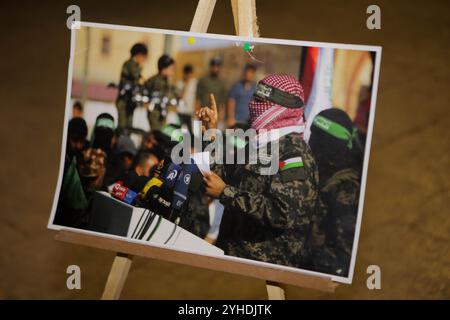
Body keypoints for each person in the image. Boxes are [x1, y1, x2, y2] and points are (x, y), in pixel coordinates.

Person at [196, 75, 320, 268]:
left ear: (280, 109)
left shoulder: (293, 155)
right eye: (254, 99)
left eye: (261, 101)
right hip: (231, 255)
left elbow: (283, 212)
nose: (253, 105)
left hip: (264, 267)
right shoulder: (257, 143)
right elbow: (222, 177)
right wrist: (212, 132)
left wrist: (225, 193)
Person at [308, 108, 363, 277]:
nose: (311, 142)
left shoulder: (345, 189)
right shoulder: (322, 175)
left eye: (317, 137)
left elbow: (343, 262)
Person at [116, 43, 148, 130]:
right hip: (124, 101)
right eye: (143, 56)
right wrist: (140, 67)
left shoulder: (135, 66)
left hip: (130, 101)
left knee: (129, 127)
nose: (144, 59)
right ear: (138, 55)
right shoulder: (129, 64)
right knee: (122, 127)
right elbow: (135, 75)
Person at [144, 54, 177, 131]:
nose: (173, 72)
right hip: (155, 115)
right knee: (156, 134)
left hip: (163, 114)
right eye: (171, 69)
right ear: (164, 69)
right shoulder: (154, 81)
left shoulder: (167, 81)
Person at [196, 56, 227, 128]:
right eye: (213, 65)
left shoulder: (222, 83)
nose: (215, 68)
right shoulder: (203, 80)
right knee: (199, 136)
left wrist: (221, 118)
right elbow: (197, 99)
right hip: (203, 114)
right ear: (210, 66)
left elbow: (223, 103)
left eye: (217, 66)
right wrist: (196, 114)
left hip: (214, 116)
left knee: (212, 136)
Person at [226, 63, 257, 128]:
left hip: (249, 123)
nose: (249, 74)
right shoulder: (236, 86)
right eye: (247, 71)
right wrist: (230, 118)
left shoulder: (255, 89)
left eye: (251, 72)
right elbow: (231, 102)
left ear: (253, 74)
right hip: (236, 121)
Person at [176, 64, 197, 132]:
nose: (188, 75)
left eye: (190, 73)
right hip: (181, 111)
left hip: (190, 112)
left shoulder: (195, 83)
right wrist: (185, 85)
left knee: (191, 131)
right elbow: (179, 96)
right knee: (181, 131)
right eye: (187, 73)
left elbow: (197, 97)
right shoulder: (179, 83)